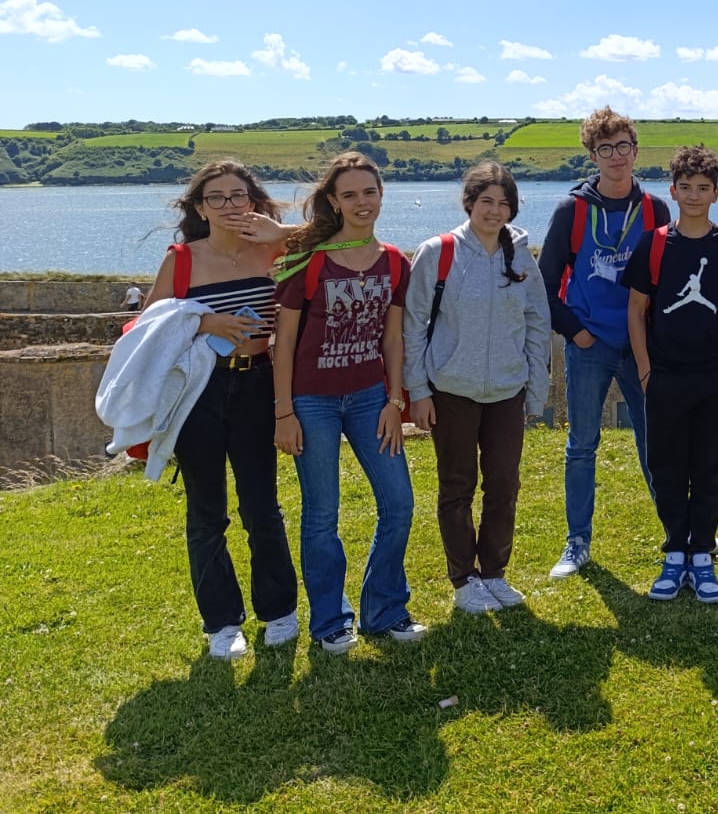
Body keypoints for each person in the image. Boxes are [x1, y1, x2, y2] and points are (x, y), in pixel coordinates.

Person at [138, 160, 297, 660]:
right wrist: (204, 322)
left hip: (258, 386)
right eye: (217, 198)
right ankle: (222, 624)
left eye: (238, 195)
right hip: (199, 392)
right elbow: (151, 328)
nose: (229, 205)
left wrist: (283, 232)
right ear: (199, 207)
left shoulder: (275, 250)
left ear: (253, 200)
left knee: (261, 508)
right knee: (207, 513)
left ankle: (280, 611)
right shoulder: (182, 260)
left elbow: (342, 243)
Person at [273, 152, 426, 654]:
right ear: (334, 202)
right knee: (322, 514)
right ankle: (330, 622)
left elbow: (394, 338)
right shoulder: (310, 262)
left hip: (370, 399)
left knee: (399, 504)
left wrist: (393, 400)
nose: (362, 202)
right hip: (311, 402)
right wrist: (284, 413)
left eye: (370, 192)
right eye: (350, 194)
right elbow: (286, 343)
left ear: (382, 195)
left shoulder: (395, 262)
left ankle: (385, 611)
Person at [404, 162, 552, 615]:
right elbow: (413, 323)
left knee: (504, 484)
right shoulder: (438, 252)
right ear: (469, 203)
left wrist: (537, 387)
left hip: (508, 389)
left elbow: (536, 322)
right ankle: (463, 579)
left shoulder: (521, 256)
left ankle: (494, 573)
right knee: (456, 485)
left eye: (504, 203)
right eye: (486, 201)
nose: (495, 210)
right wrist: (418, 390)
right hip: (451, 389)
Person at [538, 106, 672, 579]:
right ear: (592, 155)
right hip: (589, 345)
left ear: (636, 151)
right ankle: (577, 542)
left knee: (656, 441)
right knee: (582, 445)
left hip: (641, 347)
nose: (616, 156)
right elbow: (544, 283)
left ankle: (678, 535)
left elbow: (665, 279)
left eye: (623, 147)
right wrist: (576, 331)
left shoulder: (656, 210)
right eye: (604, 148)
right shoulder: (571, 210)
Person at [624, 144, 718, 603]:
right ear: (672, 191)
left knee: (712, 466)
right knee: (668, 466)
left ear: (716, 193)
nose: (694, 196)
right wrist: (645, 371)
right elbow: (637, 310)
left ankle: (702, 555)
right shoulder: (654, 243)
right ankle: (675, 551)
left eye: (703, 188)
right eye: (686, 188)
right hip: (666, 376)